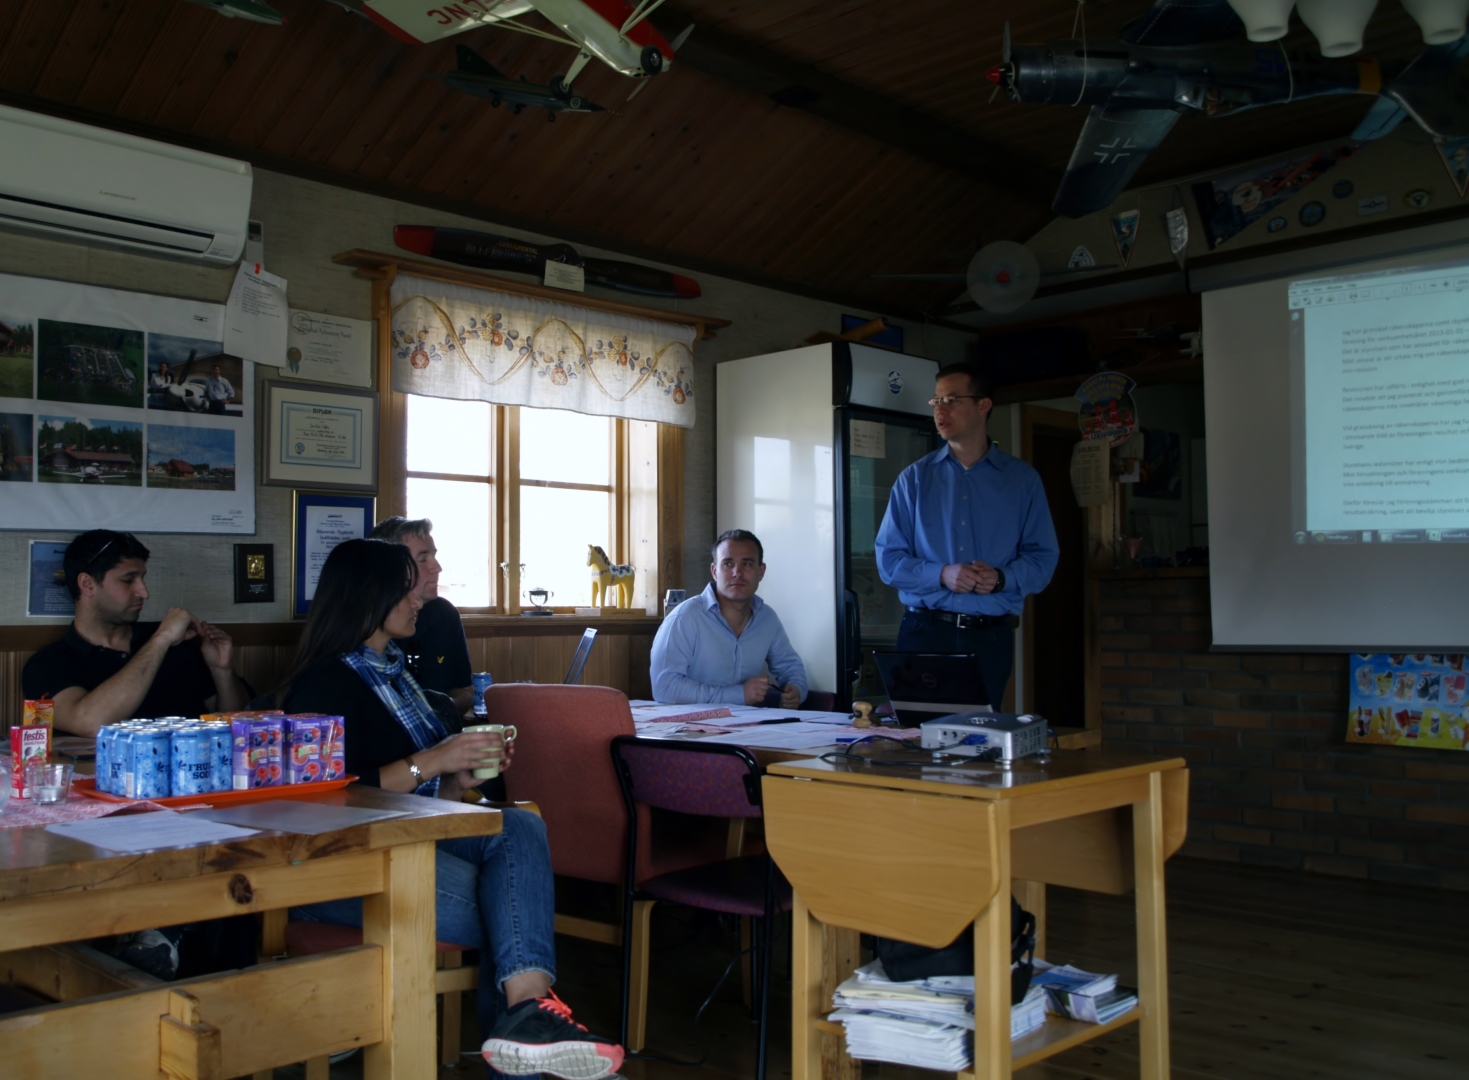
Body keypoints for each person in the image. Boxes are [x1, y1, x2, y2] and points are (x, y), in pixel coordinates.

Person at [279, 538, 623, 1080]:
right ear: (369, 596)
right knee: (511, 913)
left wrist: (457, 777)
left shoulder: (394, 672)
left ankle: (527, 1017)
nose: (419, 598)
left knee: (517, 825)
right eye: (405, 588)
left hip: (408, 840)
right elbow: (327, 798)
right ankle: (529, 1028)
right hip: (344, 865)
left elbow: (419, 794)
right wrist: (436, 759)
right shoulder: (325, 682)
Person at [874, 362, 1059, 708]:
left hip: (990, 635)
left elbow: (1043, 558)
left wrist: (1002, 578)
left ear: (983, 405)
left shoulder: (1021, 481)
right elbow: (888, 560)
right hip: (924, 631)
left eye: (952, 400)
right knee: (917, 733)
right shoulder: (914, 479)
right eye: (936, 401)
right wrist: (942, 574)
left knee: (980, 733)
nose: (940, 410)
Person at [22, 529, 249, 736]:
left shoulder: (179, 642)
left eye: (142, 578)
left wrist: (222, 670)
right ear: (87, 584)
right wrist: (161, 639)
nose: (144, 592)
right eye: (128, 580)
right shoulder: (47, 664)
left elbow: (236, 726)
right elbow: (90, 723)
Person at [649, 529, 808, 706]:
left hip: (748, 721)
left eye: (747, 564)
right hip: (690, 722)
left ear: (761, 571)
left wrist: (796, 689)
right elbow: (665, 688)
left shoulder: (767, 619)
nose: (737, 573)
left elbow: (790, 667)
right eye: (728, 564)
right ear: (714, 571)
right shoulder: (684, 618)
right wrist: (739, 694)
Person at [367, 515, 473, 714]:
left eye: (434, 556)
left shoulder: (444, 614)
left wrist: (432, 714)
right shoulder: (366, 625)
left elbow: (465, 690)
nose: (437, 568)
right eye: (423, 559)